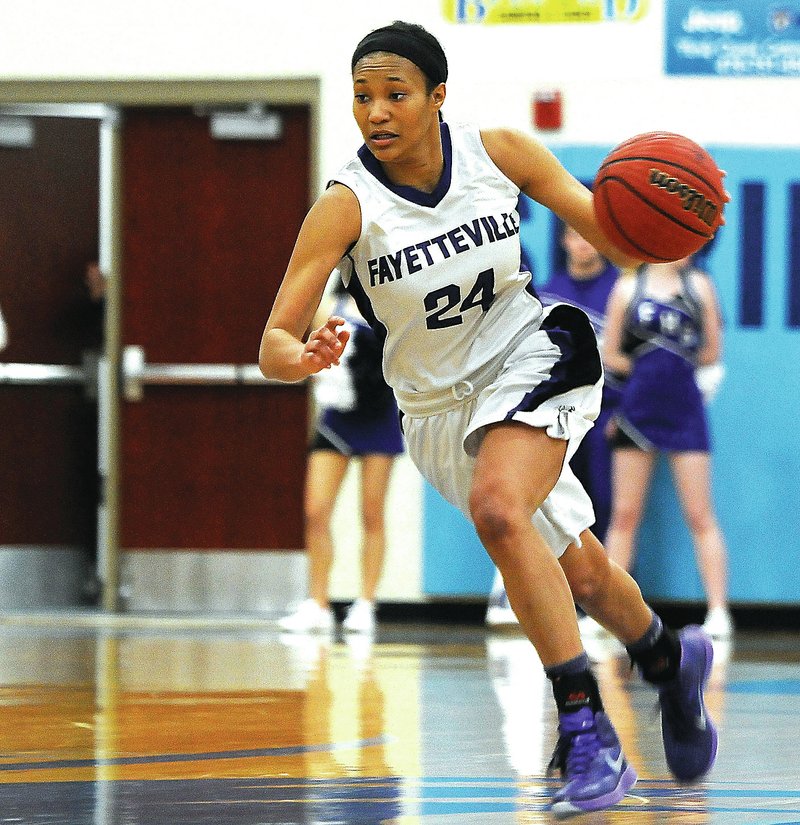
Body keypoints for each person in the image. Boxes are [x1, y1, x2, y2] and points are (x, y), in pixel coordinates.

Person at [259, 21, 718, 816]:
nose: (377, 112)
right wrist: (300, 355)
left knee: (499, 510)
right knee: (580, 570)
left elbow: (610, 235)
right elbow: (272, 339)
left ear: (439, 96)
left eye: (395, 94)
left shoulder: (497, 151)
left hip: (530, 351)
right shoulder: (344, 205)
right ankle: (670, 656)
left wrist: (662, 213)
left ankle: (585, 731)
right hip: (435, 410)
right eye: (364, 96)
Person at [486, 225, 621, 631]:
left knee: (602, 505)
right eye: (575, 235)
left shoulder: (620, 290)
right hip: (555, 414)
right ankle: (549, 595)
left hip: (604, 415)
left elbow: (633, 359)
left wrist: (626, 411)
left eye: (590, 235)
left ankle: (599, 601)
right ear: (563, 241)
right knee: (548, 503)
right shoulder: (548, 292)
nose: (583, 242)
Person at [602, 256, 734, 639]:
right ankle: (609, 613)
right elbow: (610, 353)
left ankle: (719, 612)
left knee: (700, 514)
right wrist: (647, 369)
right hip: (638, 410)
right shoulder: (628, 286)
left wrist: (675, 370)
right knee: (625, 515)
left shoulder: (700, 286)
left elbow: (711, 351)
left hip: (685, 411)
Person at [278, 275, 403, 635]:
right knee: (316, 510)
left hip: (379, 415)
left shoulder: (389, 302)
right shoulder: (326, 307)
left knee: (371, 512)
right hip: (338, 417)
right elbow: (309, 351)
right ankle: (318, 603)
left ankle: (366, 603)